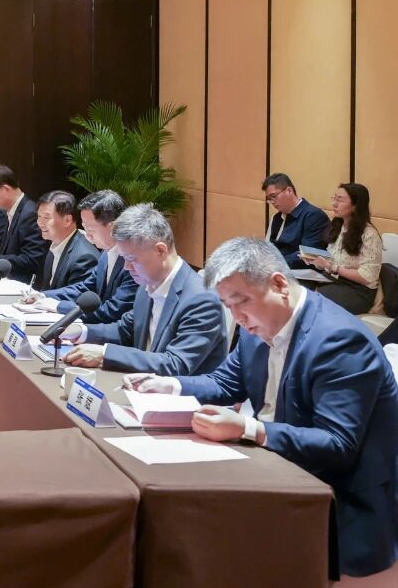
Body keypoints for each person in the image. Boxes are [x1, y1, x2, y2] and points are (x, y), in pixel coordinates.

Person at [124, 237, 398, 581]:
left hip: (335, 501)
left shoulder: (339, 341)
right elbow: (225, 383)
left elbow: (337, 445)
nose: (237, 318)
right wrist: (171, 385)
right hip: (272, 468)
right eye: (227, 306)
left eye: (242, 303)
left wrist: (248, 428)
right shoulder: (256, 327)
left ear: (279, 285)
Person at [60, 203, 227, 375]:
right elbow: (125, 330)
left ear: (160, 250)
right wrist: (80, 331)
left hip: (177, 390)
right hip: (140, 382)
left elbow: (176, 364)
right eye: (124, 258)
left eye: (132, 259)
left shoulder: (201, 299)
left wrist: (104, 354)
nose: (126, 267)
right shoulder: (147, 286)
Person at [23, 190, 137, 324]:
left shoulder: (133, 263)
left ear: (112, 227)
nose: (87, 235)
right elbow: (86, 287)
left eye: (90, 229)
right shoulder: (106, 253)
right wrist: (44, 295)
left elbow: (113, 310)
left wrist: (59, 306)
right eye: (84, 227)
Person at [300, 183, 383, 315]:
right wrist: (316, 260)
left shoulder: (369, 234)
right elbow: (332, 260)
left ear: (355, 205)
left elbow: (367, 276)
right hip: (334, 279)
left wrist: (332, 267)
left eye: (340, 200)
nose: (334, 204)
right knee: (298, 288)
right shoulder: (338, 226)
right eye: (334, 198)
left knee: (313, 299)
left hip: (358, 289)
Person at [0, 165, 47, 282]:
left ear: (5, 189)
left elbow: (32, 259)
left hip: (22, 284)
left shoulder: (29, 214)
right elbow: (15, 248)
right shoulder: (13, 210)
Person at [33, 190, 99, 290]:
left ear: (67, 220)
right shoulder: (55, 244)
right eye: (39, 216)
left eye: (46, 217)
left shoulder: (85, 257)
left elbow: (74, 295)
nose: (40, 223)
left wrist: (40, 296)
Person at [262, 173, 330, 269]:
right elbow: (268, 248)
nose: (272, 202)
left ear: (289, 191)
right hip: (278, 269)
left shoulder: (313, 216)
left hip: (302, 272)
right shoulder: (277, 217)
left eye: (274, 196)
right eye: (269, 199)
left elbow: (307, 255)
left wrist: (275, 263)